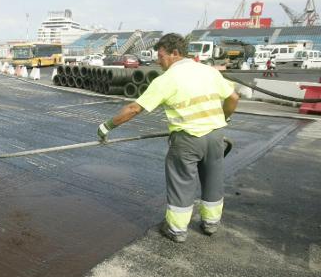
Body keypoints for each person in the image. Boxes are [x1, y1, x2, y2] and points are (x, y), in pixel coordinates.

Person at [97, 33, 240, 243]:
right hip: (216, 135)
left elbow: (135, 108)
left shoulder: (167, 79)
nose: (158, 60)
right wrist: (224, 118)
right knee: (213, 179)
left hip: (187, 138)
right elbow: (233, 98)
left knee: (181, 181)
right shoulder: (209, 71)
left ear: (174, 53)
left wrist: (107, 126)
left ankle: (176, 229)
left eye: (161, 55)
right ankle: (210, 223)